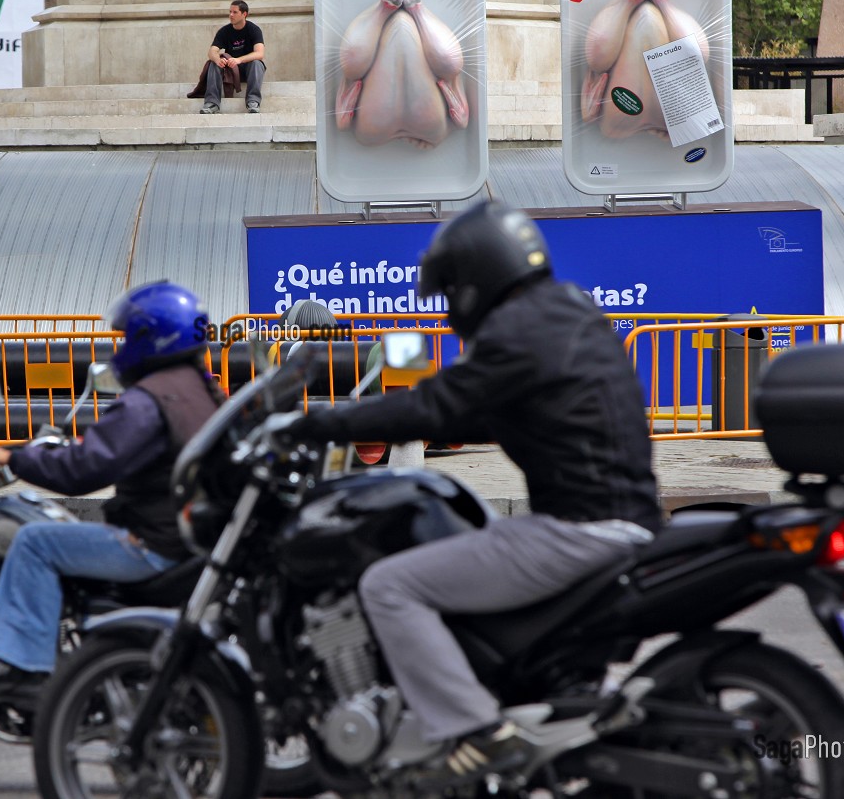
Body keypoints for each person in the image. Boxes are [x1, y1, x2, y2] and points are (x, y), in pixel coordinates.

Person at [271, 200, 662, 777]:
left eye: (453, 289)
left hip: (580, 528)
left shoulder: (515, 329)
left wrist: (325, 421)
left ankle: (478, 730)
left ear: (478, 278)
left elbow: (439, 404)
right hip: (622, 516)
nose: (453, 305)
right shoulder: (566, 310)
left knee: (388, 585)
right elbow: (492, 413)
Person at [0, 281, 223, 701]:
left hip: (154, 542)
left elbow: (84, 469)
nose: (121, 346)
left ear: (151, 338)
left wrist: (12, 458)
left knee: (34, 540)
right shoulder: (202, 388)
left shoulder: (148, 399)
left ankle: (25, 672)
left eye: (128, 336)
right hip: (188, 538)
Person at [200, 0, 265, 114]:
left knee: (257, 63)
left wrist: (239, 60)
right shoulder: (224, 31)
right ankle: (211, 103)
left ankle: (253, 102)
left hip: (248, 69)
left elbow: (260, 53)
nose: (231, 15)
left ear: (244, 14)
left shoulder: (254, 29)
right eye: (230, 12)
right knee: (213, 63)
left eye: (235, 12)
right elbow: (212, 51)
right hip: (230, 70)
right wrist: (217, 59)